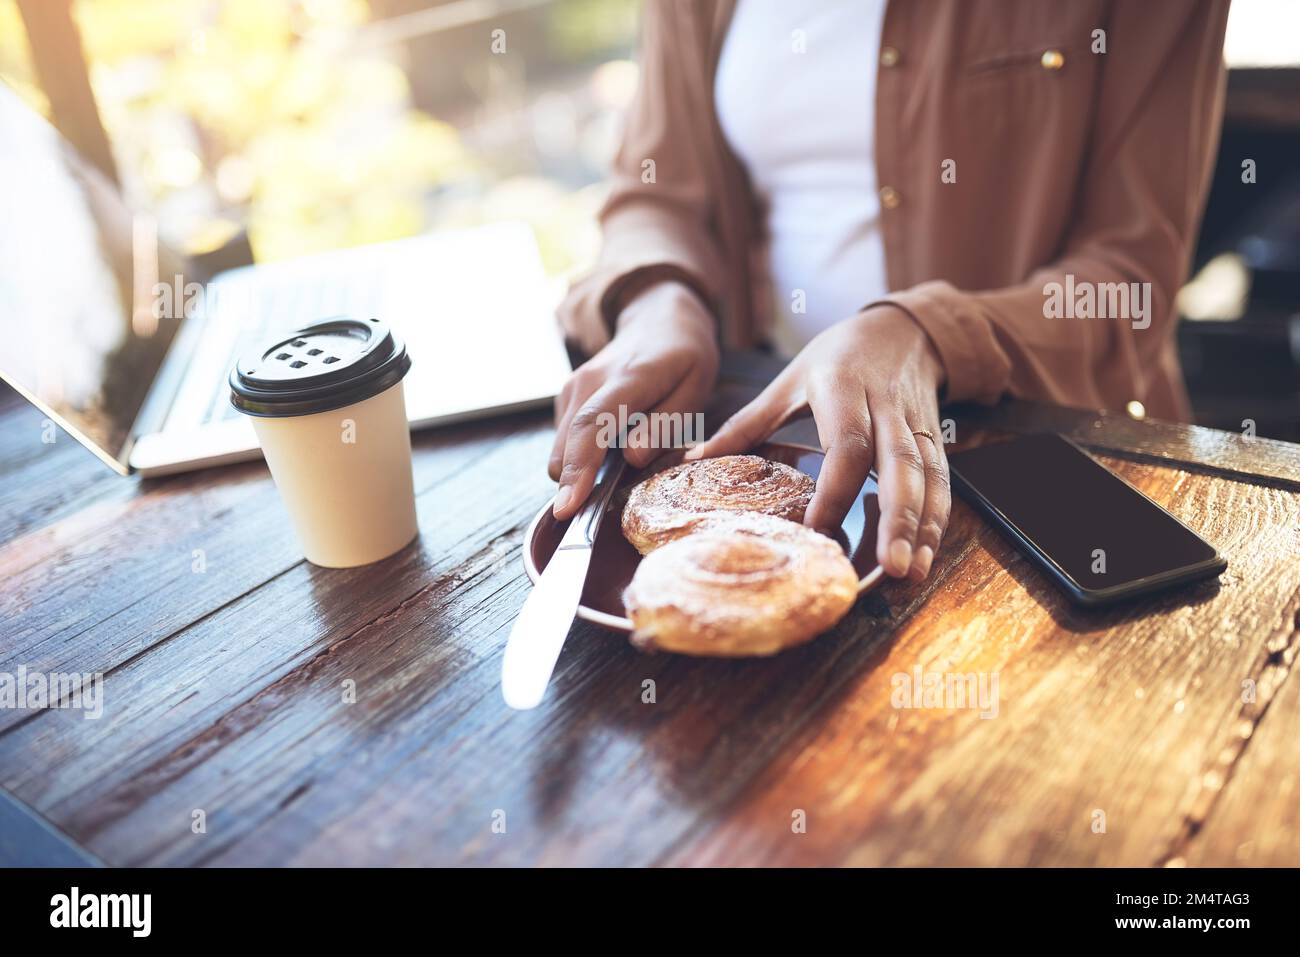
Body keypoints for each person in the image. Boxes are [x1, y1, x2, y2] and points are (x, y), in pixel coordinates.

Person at [548, 0, 1230, 582]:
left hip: (1043, 468)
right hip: (767, 447)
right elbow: (655, 194)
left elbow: (1132, 276)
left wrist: (927, 332)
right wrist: (661, 300)